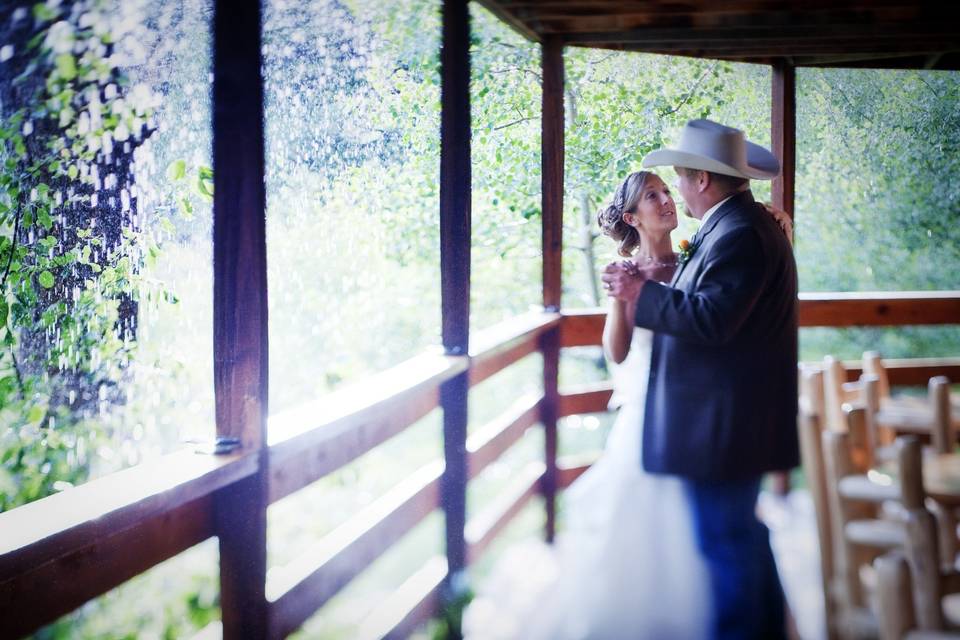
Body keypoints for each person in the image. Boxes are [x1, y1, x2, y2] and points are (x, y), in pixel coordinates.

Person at [463, 170, 714, 639]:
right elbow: (616, 353)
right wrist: (621, 298)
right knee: (637, 515)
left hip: (696, 408)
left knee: (697, 520)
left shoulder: (696, 257)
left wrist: (770, 212)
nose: (666, 202)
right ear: (631, 217)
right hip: (645, 409)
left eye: (666, 192)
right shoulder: (626, 274)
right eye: (652, 197)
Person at [601, 119, 800, 639]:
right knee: (742, 537)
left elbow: (712, 318)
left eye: (679, 182)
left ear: (703, 181)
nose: (676, 195)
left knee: (726, 545)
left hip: (723, 424)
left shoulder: (739, 233)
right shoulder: (737, 227)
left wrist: (637, 296)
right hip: (719, 418)